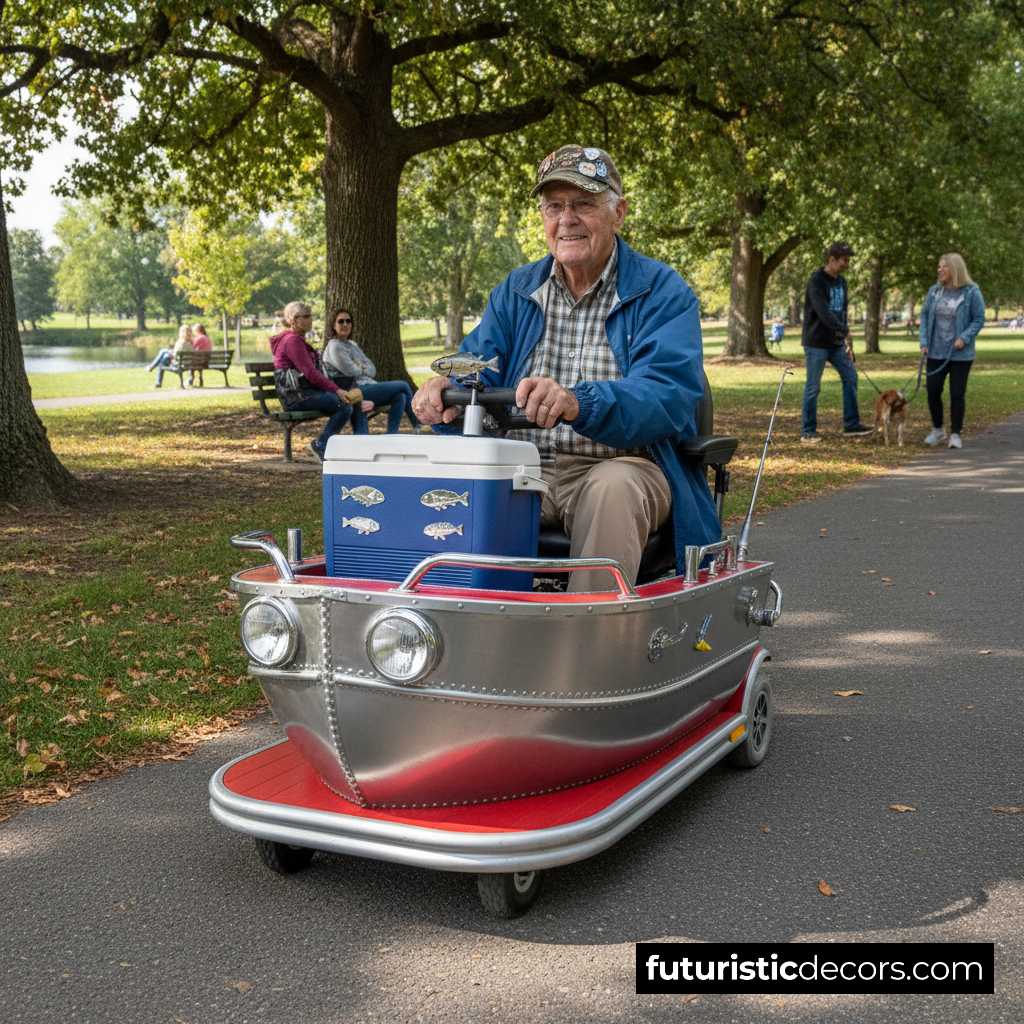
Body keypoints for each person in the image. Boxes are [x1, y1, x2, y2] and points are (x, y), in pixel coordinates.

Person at [412, 143, 720, 592]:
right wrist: (447, 392)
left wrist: (580, 402)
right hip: (522, 468)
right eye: (554, 206)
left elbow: (668, 397)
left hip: (623, 465)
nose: (567, 219)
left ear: (619, 212)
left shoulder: (661, 291)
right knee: (442, 491)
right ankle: (451, 631)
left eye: (583, 204)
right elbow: (479, 369)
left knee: (613, 487)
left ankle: (587, 644)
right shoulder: (516, 291)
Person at [269, 301, 370, 462]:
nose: (311, 320)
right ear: (294, 319)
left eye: (311, 316)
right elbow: (310, 373)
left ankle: (362, 444)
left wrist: (340, 388)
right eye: (307, 316)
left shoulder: (296, 339)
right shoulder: (292, 341)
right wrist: (336, 390)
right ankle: (321, 444)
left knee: (352, 396)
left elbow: (312, 373)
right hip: (296, 397)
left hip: (305, 392)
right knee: (343, 405)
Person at [799, 242, 872, 443]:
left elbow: (842, 312)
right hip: (816, 343)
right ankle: (808, 431)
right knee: (813, 387)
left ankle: (851, 424)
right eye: (844, 260)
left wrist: (846, 338)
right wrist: (844, 329)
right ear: (832, 260)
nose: (847, 264)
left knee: (851, 377)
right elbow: (823, 312)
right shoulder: (817, 281)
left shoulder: (842, 282)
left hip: (836, 343)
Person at [918, 253, 985, 450]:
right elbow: (924, 316)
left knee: (957, 393)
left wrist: (964, 338)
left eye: (943, 267)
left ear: (954, 269)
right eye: (939, 267)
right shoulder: (934, 292)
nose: (939, 270)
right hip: (935, 352)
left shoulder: (972, 292)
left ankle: (955, 434)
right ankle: (938, 430)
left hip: (960, 355)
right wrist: (923, 341)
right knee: (933, 391)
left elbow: (979, 319)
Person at [322, 308, 424, 434]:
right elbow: (351, 371)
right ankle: (418, 422)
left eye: (348, 321)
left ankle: (391, 435)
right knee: (403, 385)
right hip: (352, 391)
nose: (345, 324)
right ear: (333, 325)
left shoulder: (352, 344)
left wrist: (360, 367)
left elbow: (372, 369)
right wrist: (362, 367)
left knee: (400, 396)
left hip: (367, 386)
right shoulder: (335, 346)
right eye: (341, 321)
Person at [153, 324, 194, 388]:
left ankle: (158, 382)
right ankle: (152, 366)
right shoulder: (191, 342)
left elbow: (175, 355)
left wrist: (172, 354)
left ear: (181, 332)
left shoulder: (180, 342)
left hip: (178, 365)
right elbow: (192, 353)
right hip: (189, 364)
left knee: (162, 362)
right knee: (164, 353)